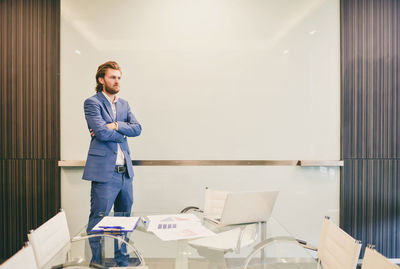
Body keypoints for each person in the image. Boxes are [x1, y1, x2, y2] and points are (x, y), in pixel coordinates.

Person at [82, 61, 142, 266]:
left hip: (125, 173)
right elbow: (100, 132)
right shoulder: (92, 103)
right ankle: (97, 261)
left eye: (118, 77)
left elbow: (137, 129)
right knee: (99, 218)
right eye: (112, 77)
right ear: (101, 80)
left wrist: (116, 125)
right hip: (104, 173)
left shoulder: (124, 104)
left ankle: (122, 259)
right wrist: (122, 133)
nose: (117, 81)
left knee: (124, 219)